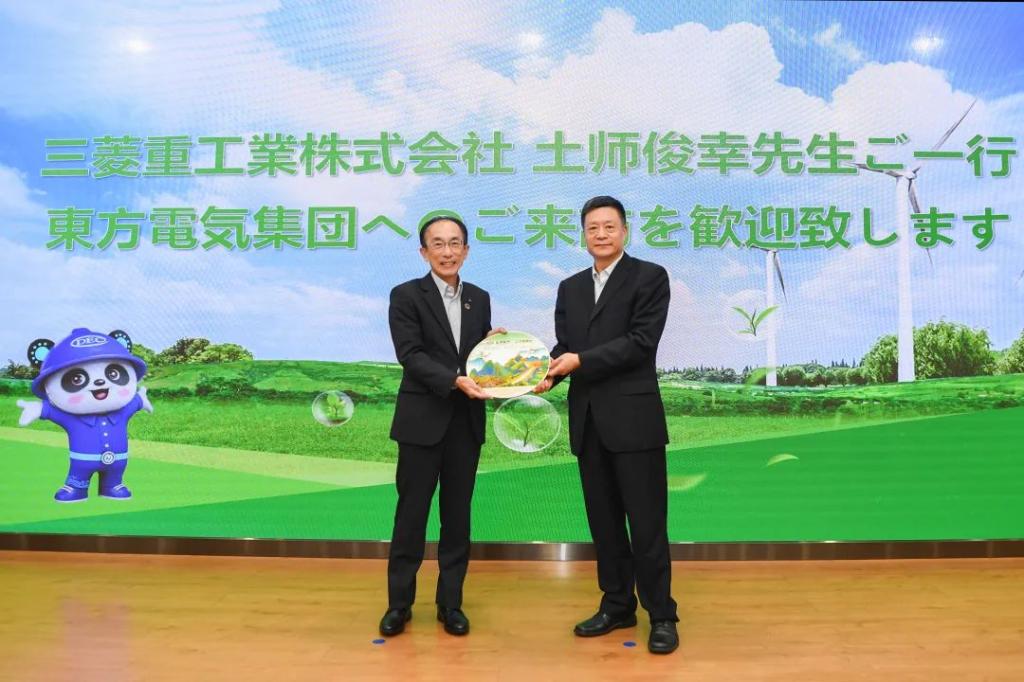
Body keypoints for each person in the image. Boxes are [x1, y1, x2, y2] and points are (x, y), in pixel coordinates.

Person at [535, 195, 679, 654]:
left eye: (609, 226)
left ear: (625, 231)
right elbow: (564, 348)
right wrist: (541, 371)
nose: (601, 234)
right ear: (583, 235)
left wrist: (579, 361)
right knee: (605, 523)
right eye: (592, 228)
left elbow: (641, 342)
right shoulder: (570, 288)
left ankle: (661, 614)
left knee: (647, 523)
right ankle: (617, 604)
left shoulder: (650, 277)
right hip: (589, 422)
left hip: (635, 421)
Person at [379, 215, 501, 638]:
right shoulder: (405, 295)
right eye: (438, 244)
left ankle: (451, 604)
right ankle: (399, 605)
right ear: (424, 251)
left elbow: (476, 357)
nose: (447, 252)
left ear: (466, 250)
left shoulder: (479, 298)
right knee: (411, 516)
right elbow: (410, 354)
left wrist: (495, 348)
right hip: (421, 423)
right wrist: (453, 380)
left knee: (457, 518)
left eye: (454, 243)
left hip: (465, 424)